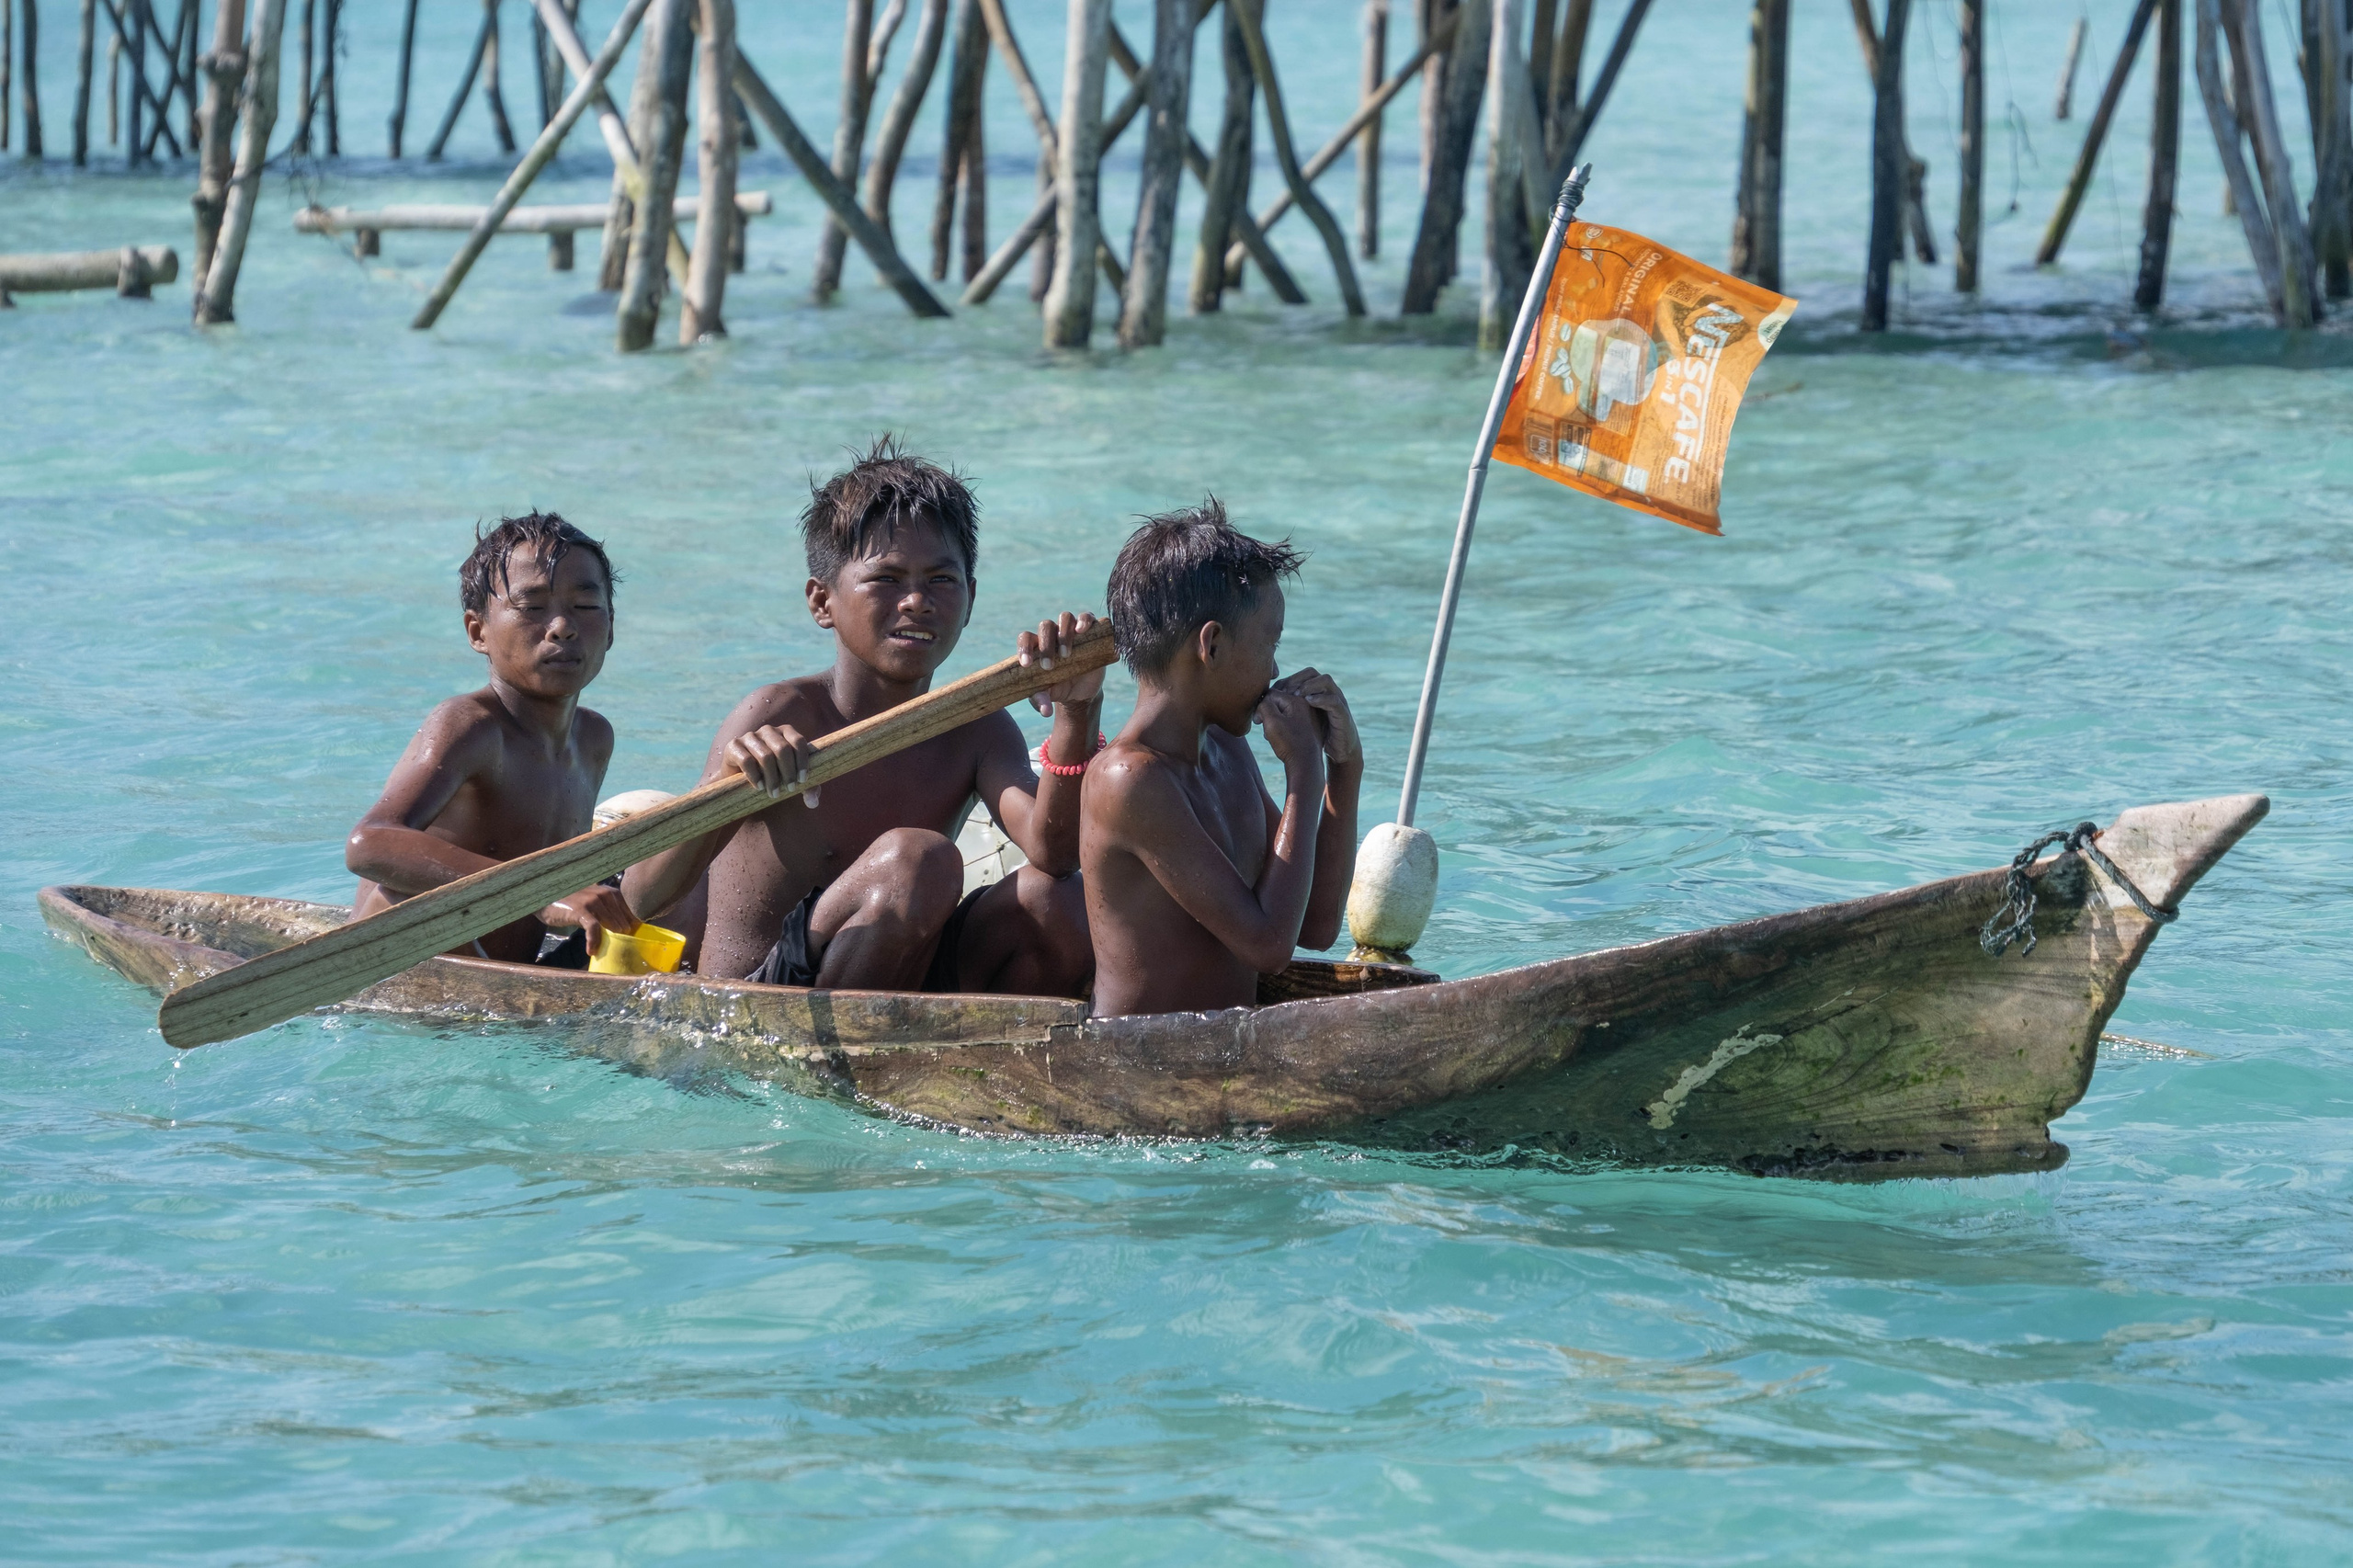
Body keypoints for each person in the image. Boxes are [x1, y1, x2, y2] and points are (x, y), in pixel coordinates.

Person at [622, 441, 1100, 995]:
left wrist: (1077, 710)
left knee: (1058, 899)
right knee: (917, 860)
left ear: (970, 601)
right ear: (822, 603)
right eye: (888, 579)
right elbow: (641, 899)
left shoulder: (978, 731)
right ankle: (835, 1070)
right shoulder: (779, 715)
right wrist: (726, 782)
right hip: (763, 996)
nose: (917, 601)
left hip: (897, 983)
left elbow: (1056, 855)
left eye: (942, 580)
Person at [1081, 501, 1361, 1017]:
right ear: (1210, 645)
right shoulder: (1127, 780)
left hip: (1219, 1055)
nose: (1275, 666)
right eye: (1269, 643)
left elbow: (1317, 926)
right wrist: (1303, 770)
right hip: (1139, 1063)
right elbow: (1269, 948)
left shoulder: (1227, 751)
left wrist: (1344, 770)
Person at [346, 512, 639, 968]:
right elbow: (371, 843)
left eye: (585, 606)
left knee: (654, 836)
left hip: (512, 973)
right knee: (403, 892)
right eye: (531, 607)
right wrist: (542, 892)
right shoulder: (470, 725)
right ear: (477, 631)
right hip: (418, 968)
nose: (562, 625)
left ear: (612, 627)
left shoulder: (594, 737)